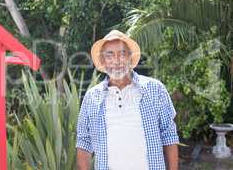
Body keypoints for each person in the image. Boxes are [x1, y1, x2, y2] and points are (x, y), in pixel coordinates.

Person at [76, 30, 179, 170]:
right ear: (102, 61)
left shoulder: (155, 89)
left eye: (122, 54)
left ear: (131, 58)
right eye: (110, 55)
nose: (117, 61)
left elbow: (169, 135)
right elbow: (84, 142)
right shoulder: (92, 97)